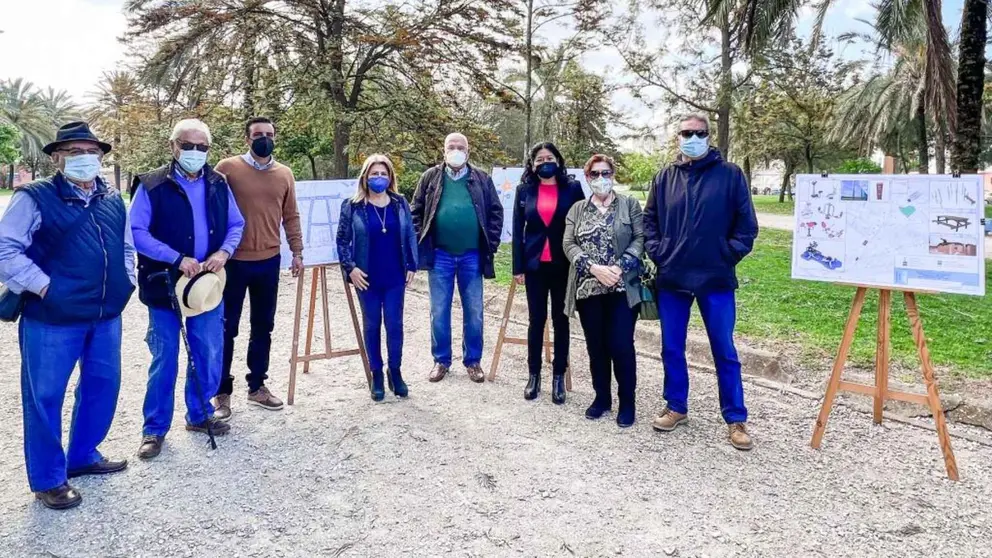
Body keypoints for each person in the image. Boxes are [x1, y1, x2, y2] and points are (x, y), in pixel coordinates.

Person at [0, 122, 135, 510]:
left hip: (105, 315)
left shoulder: (112, 198)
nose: (85, 158)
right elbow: (5, 250)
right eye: (75, 152)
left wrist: (126, 281)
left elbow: (126, 247)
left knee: (102, 386)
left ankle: (83, 455)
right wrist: (45, 287)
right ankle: (48, 479)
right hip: (52, 318)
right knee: (45, 397)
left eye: (91, 151)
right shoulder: (34, 197)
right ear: (57, 158)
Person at [130, 118, 245, 460]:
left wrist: (224, 252)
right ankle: (154, 429)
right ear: (173, 146)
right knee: (165, 358)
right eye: (188, 145)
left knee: (207, 352)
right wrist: (176, 258)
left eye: (202, 147)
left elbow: (236, 224)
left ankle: (199, 413)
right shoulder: (151, 185)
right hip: (165, 285)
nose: (195, 152)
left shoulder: (218, 183)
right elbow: (136, 231)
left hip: (207, 286)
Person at [643, 114, 759, 450]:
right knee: (671, 347)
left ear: (708, 136)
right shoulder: (664, 177)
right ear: (677, 137)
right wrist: (660, 253)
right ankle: (676, 406)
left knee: (724, 350)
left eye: (699, 133)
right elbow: (649, 221)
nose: (692, 138)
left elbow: (747, 226)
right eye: (686, 133)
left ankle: (735, 418)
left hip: (716, 279)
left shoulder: (730, 175)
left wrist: (727, 254)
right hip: (673, 278)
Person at [211, 117, 303, 420]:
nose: (265, 138)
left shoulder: (284, 174)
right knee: (226, 327)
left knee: (263, 326)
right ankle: (221, 391)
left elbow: (291, 215)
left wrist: (297, 251)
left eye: (269, 134)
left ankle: (257, 386)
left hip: (268, 260)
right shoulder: (227, 169)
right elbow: (211, 208)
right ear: (247, 139)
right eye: (258, 134)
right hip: (233, 261)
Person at [411, 133, 503, 383]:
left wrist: (491, 244)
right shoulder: (430, 177)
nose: (456, 151)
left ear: (468, 151)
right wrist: (421, 239)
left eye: (460, 147)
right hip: (439, 255)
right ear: (444, 151)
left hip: (472, 256)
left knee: (474, 310)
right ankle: (441, 360)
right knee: (439, 310)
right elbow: (415, 210)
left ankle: (473, 360)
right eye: (451, 147)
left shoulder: (481, 179)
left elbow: (496, 212)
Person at [563, 154, 643, 427]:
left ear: (613, 175)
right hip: (588, 289)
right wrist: (593, 268)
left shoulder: (629, 205)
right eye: (595, 174)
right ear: (587, 178)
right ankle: (602, 398)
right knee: (596, 346)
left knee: (621, 345)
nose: (601, 178)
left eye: (605, 173)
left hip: (622, 288)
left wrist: (619, 268)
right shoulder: (577, 209)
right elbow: (568, 244)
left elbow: (640, 238)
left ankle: (627, 402)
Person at [337, 154, 418, 401]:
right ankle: (376, 374)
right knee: (372, 325)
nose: (379, 178)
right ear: (365, 177)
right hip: (366, 277)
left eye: (383, 174)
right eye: (374, 174)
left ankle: (395, 371)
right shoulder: (352, 206)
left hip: (395, 275)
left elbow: (410, 234)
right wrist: (350, 268)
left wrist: (412, 263)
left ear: (390, 177)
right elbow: (342, 240)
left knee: (394, 324)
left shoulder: (399, 203)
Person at [512, 142, 585, 404]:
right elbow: (518, 229)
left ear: (558, 160)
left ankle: (558, 376)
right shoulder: (524, 190)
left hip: (563, 264)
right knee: (536, 320)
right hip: (534, 265)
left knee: (561, 320)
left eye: (549, 158)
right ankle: (534, 375)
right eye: (540, 159)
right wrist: (517, 267)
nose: (545, 163)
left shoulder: (573, 188)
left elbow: (581, 225)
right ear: (532, 165)